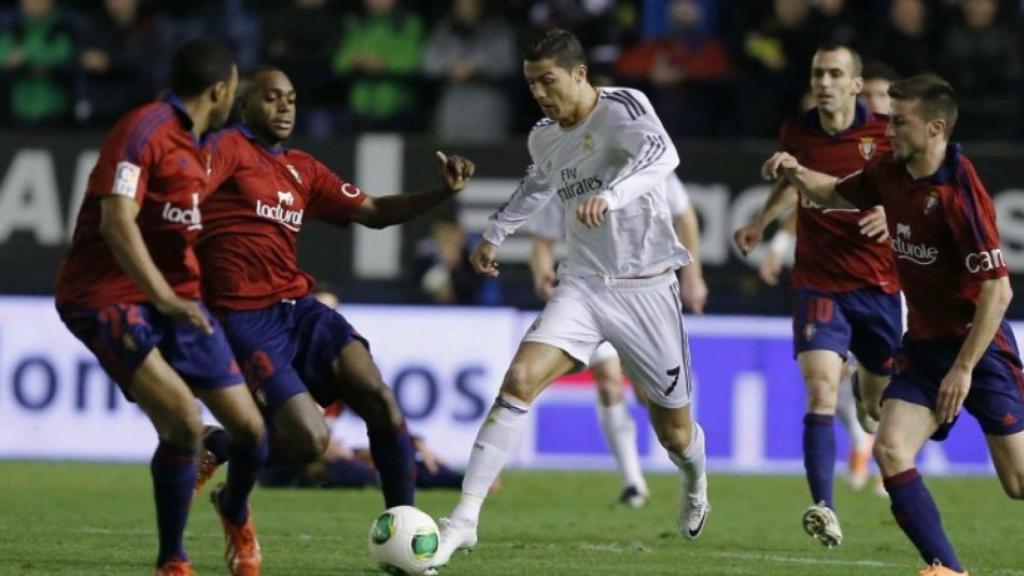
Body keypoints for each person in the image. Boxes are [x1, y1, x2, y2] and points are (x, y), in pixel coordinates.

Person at [431, 29, 708, 569]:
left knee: (675, 434)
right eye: (531, 83)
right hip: (583, 283)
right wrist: (495, 233)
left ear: (580, 74)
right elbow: (537, 184)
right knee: (519, 380)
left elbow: (664, 155)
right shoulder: (544, 136)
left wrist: (611, 194)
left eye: (548, 80)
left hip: (647, 286)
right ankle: (463, 521)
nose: (539, 92)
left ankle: (695, 479)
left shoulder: (625, 107)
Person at [762, 73, 1024, 576]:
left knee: (1017, 483)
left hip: (978, 348)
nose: (888, 131)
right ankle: (948, 569)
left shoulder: (959, 195)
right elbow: (834, 192)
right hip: (924, 346)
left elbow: (998, 292)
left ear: (935, 129)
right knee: (890, 449)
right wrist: (796, 171)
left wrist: (964, 368)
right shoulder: (889, 171)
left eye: (900, 122)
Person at [193, 66, 475, 511]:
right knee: (309, 443)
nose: (285, 106)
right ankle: (221, 447)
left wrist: (441, 192)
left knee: (378, 396)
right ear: (244, 106)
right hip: (246, 319)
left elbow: (375, 211)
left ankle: (402, 520)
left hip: (298, 309)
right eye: (271, 97)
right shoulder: (227, 147)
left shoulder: (302, 169)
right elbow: (186, 195)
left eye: (291, 98)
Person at [54, 39, 264, 576]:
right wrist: (163, 297)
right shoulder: (142, 130)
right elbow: (116, 221)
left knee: (250, 431)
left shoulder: (203, 143)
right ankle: (173, 560)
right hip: (107, 296)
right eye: (235, 88)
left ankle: (233, 509)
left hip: (179, 298)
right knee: (183, 422)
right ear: (219, 90)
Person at [733, 43, 900, 548]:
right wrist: (762, 222)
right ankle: (824, 506)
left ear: (855, 85)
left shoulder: (886, 136)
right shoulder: (797, 132)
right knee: (821, 389)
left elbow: (915, 190)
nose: (824, 83)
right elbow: (794, 182)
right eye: (817, 73)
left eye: (834, 74)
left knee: (875, 407)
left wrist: (892, 214)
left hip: (877, 285)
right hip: (819, 282)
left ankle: (866, 394)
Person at [528, 172, 708, 507]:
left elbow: (685, 216)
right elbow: (543, 241)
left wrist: (692, 275)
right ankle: (633, 482)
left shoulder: (648, 166)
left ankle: (690, 463)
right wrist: (542, 274)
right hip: (589, 294)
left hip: (642, 297)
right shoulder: (568, 172)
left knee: (648, 397)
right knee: (609, 381)